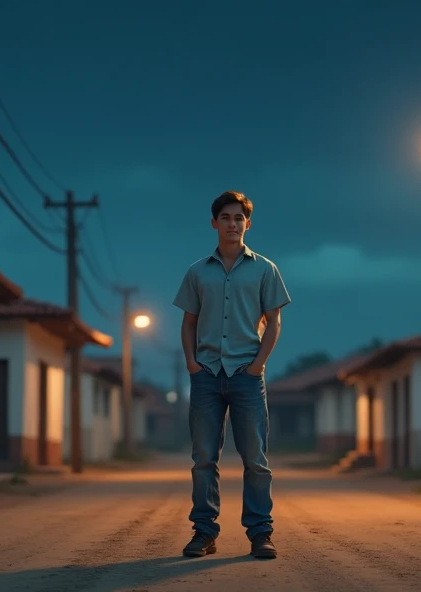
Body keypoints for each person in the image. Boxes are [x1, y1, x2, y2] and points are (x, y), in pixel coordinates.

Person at [173, 190, 291, 560]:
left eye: (239, 218)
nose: (232, 224)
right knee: (204, 459)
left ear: (248, 224)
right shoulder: (196, 272)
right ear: (214, 223)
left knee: (255, 459)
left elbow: (274, 322)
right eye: (225, 217)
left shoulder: (265, 269)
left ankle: (260, 534)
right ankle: (204, 533)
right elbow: (188, 322)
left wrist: (257, 365)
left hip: (245, 375)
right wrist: (192, 363)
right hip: (206, 374)